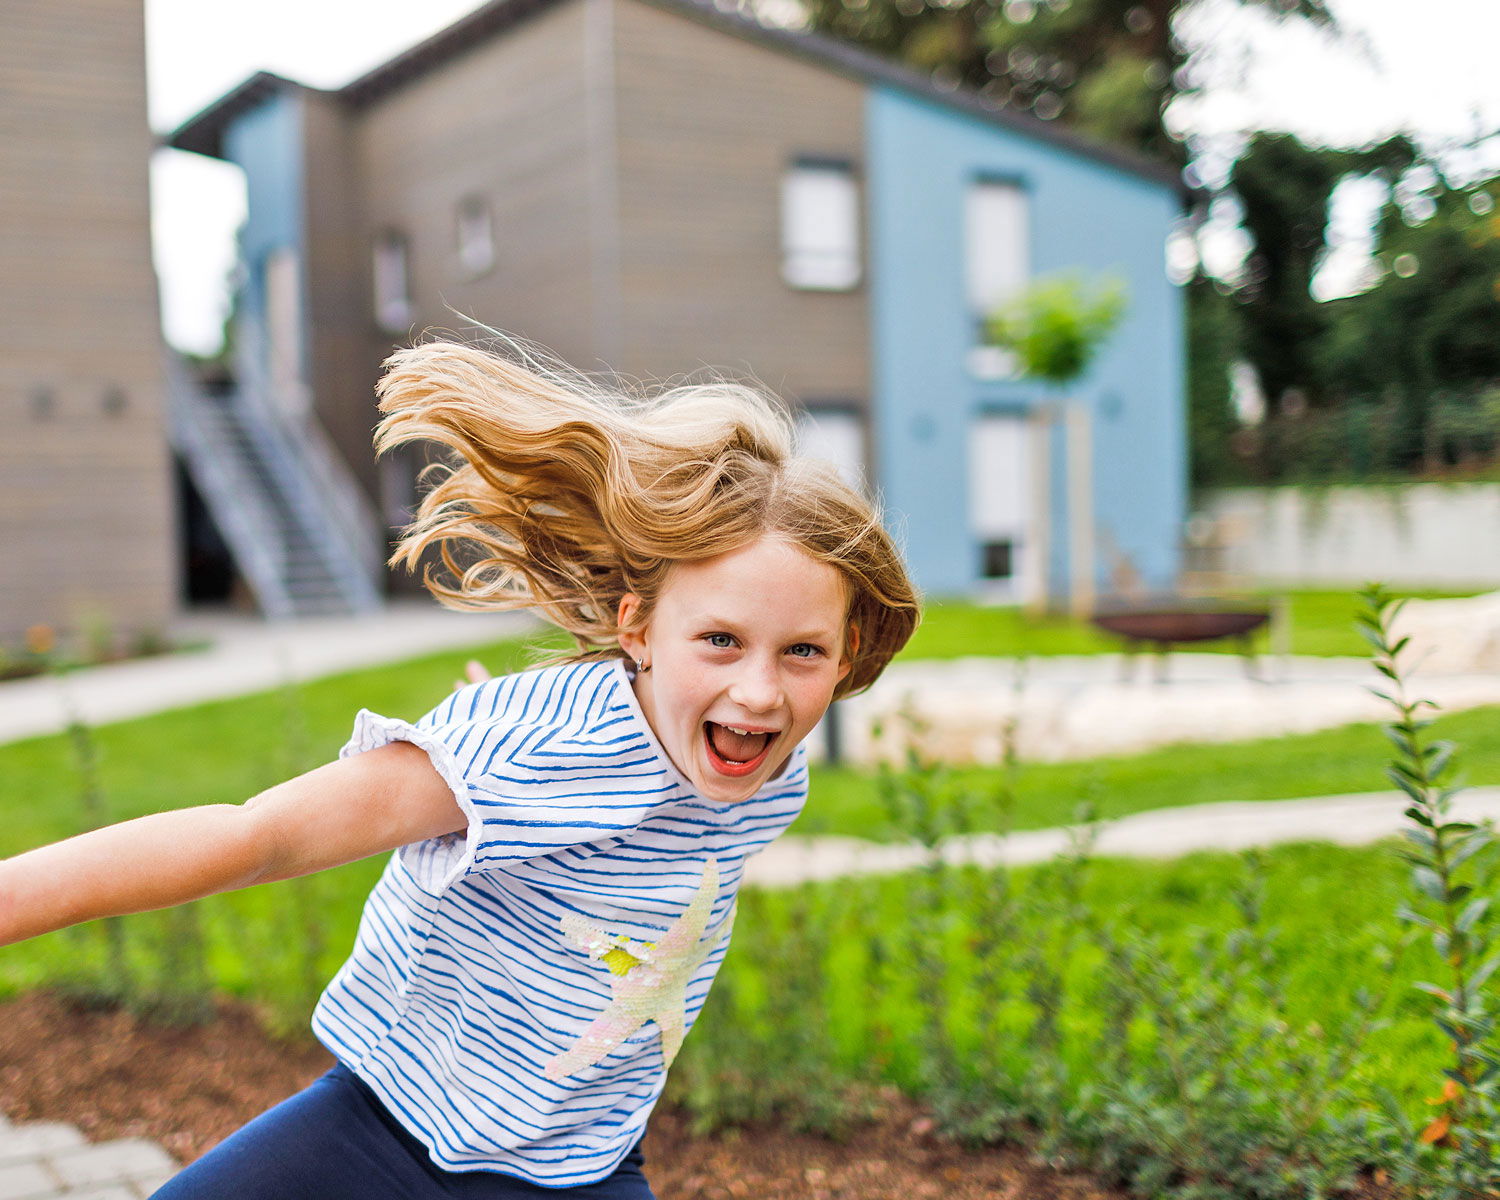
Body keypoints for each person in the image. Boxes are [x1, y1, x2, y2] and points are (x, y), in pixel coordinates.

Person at [0, 336, 920, 1199]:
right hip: (387, 1126)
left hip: (581, 1159)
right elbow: (256, 837)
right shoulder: (530, 754)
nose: (760, 694)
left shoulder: (768, 774)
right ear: (638, 628)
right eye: (720, 639)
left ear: (846, 657)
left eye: (801, 652)